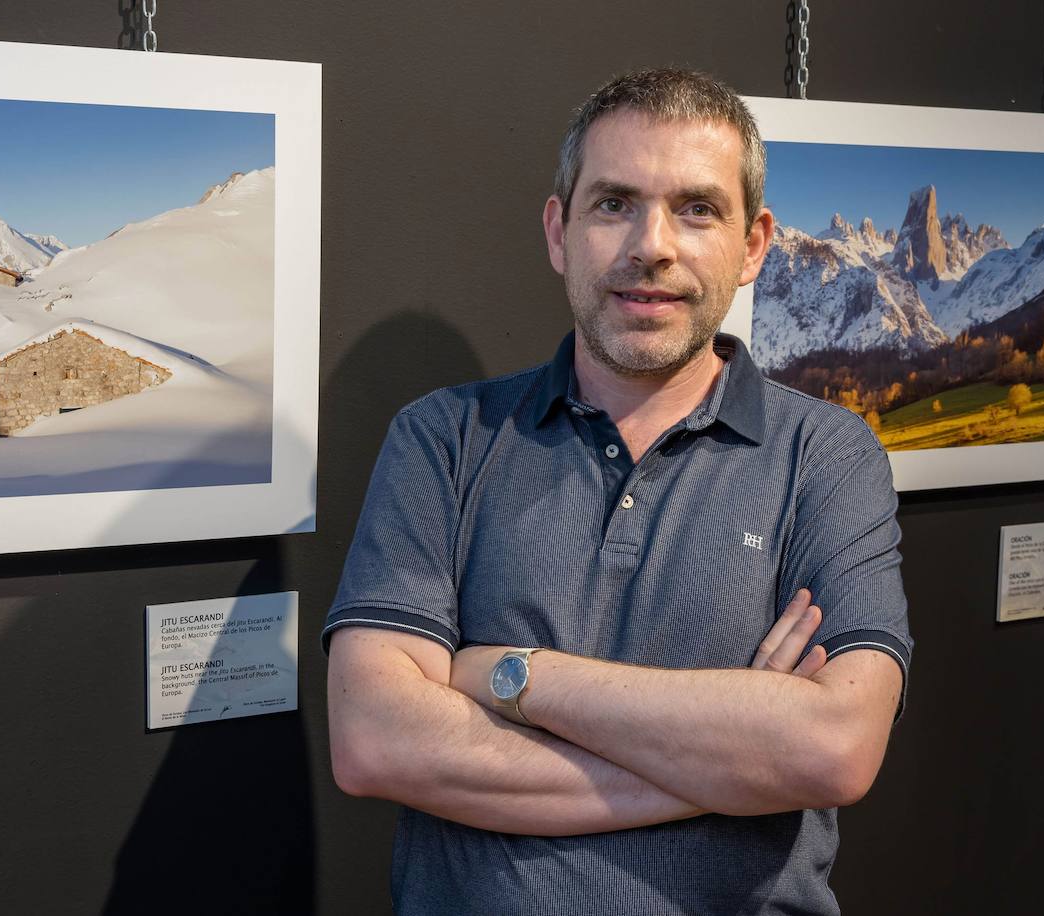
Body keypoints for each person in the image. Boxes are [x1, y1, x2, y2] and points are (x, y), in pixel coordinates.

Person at [324, 68, 912, 915]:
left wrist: (513, 677)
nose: (653, 245)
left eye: (697, 208)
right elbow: (377, 741)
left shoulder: (827, 455)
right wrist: (731, 762)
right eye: (614, 204)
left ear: (753, 245)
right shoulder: (442, 439)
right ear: (559, 232)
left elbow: (835, 750)